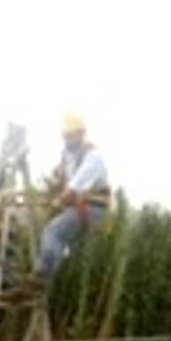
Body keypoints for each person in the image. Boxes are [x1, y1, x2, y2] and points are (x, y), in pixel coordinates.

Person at [38, 112, 111, 280]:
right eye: (65, 136)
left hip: (93, 209)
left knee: (52, 232)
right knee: (57, 240)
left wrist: (57, 202)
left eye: (71, 135)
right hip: (79, 207)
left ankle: (41, 277)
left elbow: (72, 189)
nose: (67, 139)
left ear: (81, 134)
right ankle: (44, 276)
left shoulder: (93, 157)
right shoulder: (68, 156)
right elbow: (61, 178)